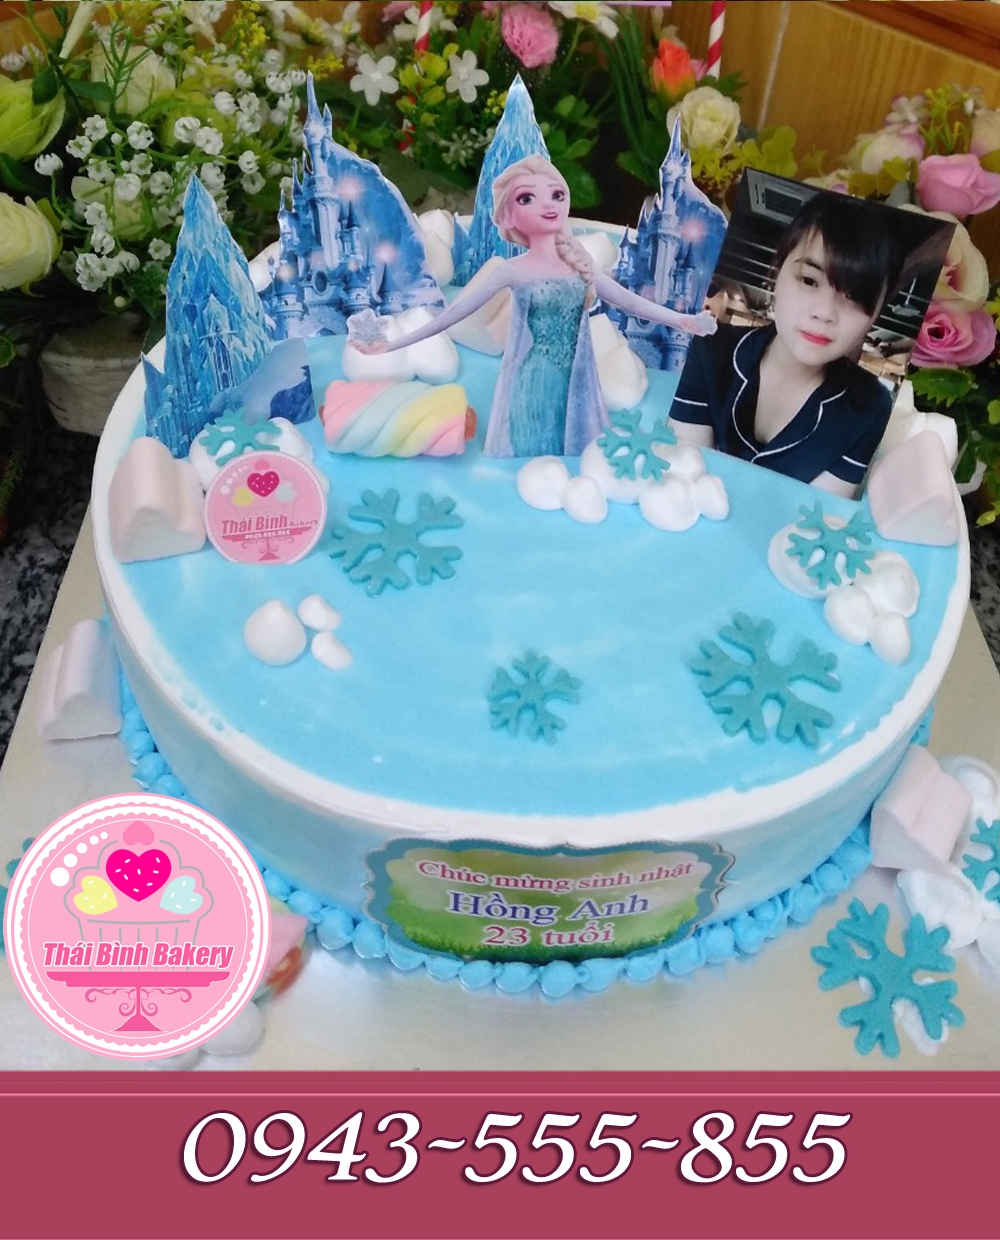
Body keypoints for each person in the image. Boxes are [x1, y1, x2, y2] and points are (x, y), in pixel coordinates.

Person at [352, 155, 717, 458]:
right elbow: (450, 317)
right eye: (528, 198)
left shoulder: (580, 266)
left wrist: (683, 321)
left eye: (556, 194)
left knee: (576, 458)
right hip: (533, 380)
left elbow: (629, 300)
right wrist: (391, 345)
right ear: (509, 216)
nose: (547, 205)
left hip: (576, 382)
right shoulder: (510, 271)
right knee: (529, 456)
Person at [670, 191, 905, 497]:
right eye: (809, 280)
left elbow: (814, 515)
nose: (824, 312)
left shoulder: (869, 406)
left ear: (875, 314)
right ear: (776, 272)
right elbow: (682, 480)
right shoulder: (709, 350)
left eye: (855, 295)